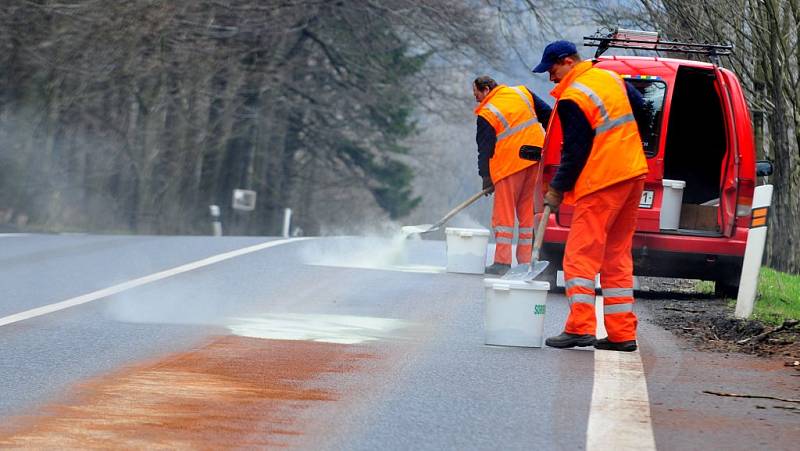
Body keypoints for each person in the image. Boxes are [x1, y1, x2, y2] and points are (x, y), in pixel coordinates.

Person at [531, 41, 649, 352]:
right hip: (633, 172)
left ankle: (580, 328)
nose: (551, 77)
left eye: (552, 69)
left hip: (603, 181)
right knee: (616, 255)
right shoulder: (609, 78)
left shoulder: (573, 97)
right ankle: (622, 333)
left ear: (568, 62)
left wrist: (556, 189)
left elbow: (575, 151)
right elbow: (642, 108)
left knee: (580, 255)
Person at [473, 76, 552, 275]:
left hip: (509, 165)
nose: (477, 100)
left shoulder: (488, 111)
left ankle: (502, 262)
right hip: (535, 159)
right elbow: (549, 115)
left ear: (485, 89)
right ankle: (526, 262)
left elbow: (484, 148)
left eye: (476, 95)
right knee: (526, 212)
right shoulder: (522, 92)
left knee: (504, 213)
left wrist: (486, 177)